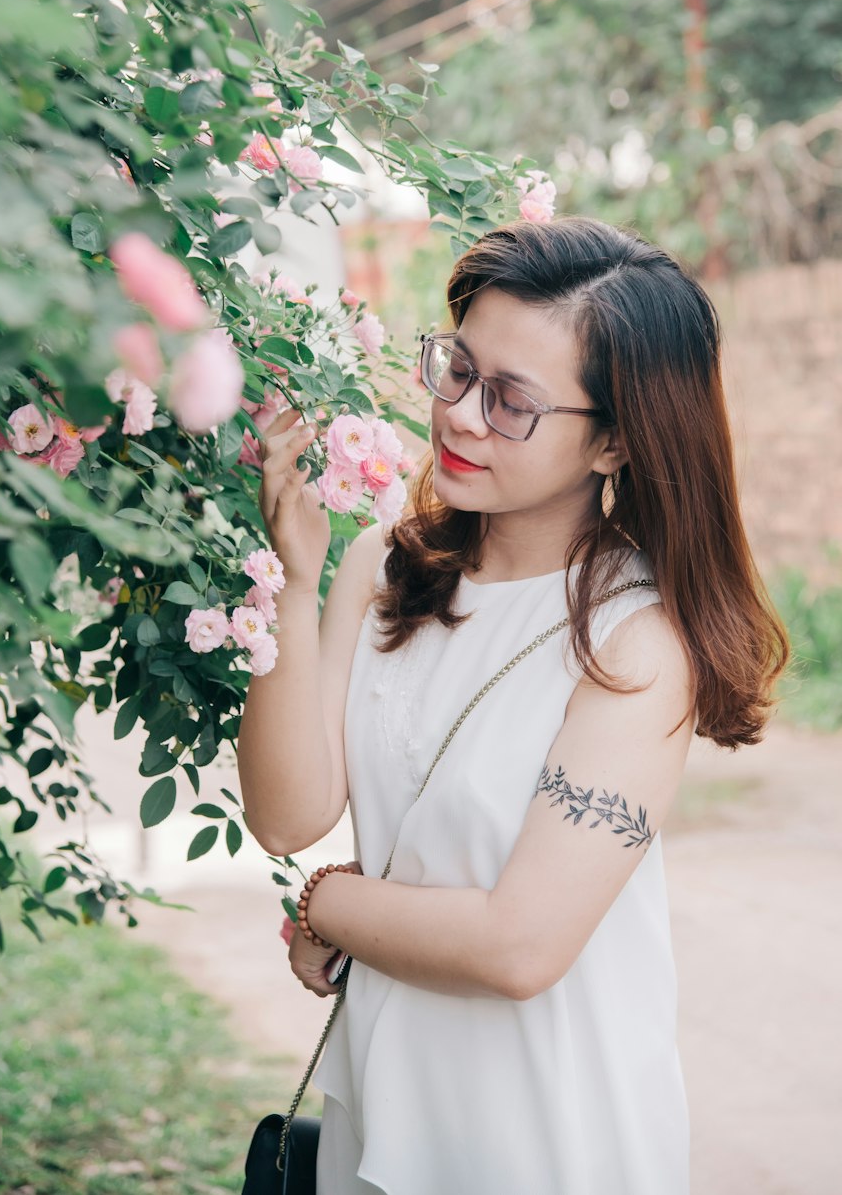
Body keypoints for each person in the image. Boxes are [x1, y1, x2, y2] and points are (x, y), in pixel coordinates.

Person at [237, 216, 790, 1195]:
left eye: (511, 402)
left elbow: (518, 943)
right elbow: (288, 814)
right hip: (381, 1105)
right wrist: (291, 575)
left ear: (616, 440)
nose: (458, 414)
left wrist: (332, 904)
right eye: (457, 367)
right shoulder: (383, 564)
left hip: (544, 1134)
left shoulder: (637, 643)